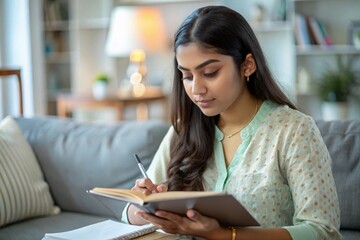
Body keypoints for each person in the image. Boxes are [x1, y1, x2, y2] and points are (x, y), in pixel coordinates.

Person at [122, 5, 341, 240]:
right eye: (187, 76)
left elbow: (322, 231)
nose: (196, 89)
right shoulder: (183, 129)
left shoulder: (293, 130)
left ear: (247, 65)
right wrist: (143, 205)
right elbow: (128, 215)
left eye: (210, 73)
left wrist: (224, 235)